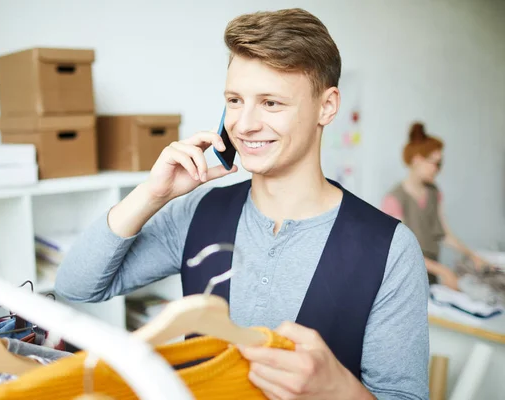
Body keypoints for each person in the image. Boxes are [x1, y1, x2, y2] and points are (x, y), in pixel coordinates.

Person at [56, 8, 429, 400]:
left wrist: (339, 391)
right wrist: (153, 194)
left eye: (270, 103)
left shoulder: (391, 250)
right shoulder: (196, 213)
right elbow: (75, 287)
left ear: (327, 106)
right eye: (235, 100)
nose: (244, 124)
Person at [381, 122, 493, 291]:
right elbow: (402, 251)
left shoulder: (434, 193)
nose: (438, 170)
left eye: (440, 164)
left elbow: (444, 234)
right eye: (435, 163)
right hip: (404, 279)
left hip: (430, 275)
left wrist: (472, 256)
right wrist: (444, 271)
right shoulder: (394, 199)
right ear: (417, 159)